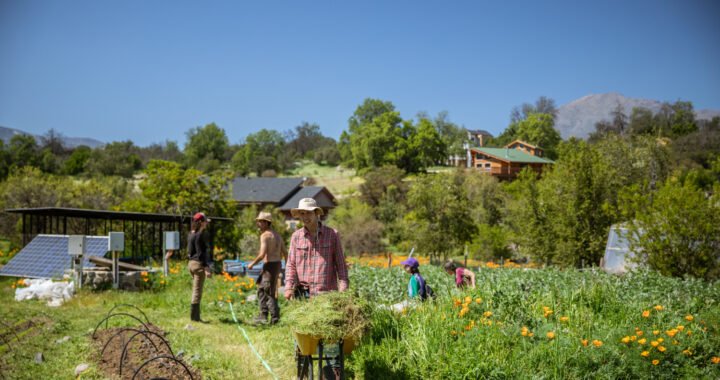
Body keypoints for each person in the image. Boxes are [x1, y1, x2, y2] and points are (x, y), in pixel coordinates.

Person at [284, 198, 348, 379]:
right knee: (305, 339)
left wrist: (343, 291)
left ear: (316, 213)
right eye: (301, 213)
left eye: (308, 213)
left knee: (330, 339)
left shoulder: (332, 235)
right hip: (303, 295)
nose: (304, 217)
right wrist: (288, 287)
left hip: (327, 295)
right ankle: (303, 366)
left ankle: (331, 371)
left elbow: (341, 266)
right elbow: (291, 265)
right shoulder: (296, 237)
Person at [247, 211, 287, 325]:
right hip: (277, 265)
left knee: (268, 291)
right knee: (262, 289)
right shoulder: (278, 235)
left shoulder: (265, 236)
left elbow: (262, 254)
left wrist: (252, 264)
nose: (258, 224)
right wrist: (287, 267)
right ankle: (263, 315)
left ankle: (274, 319)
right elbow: (285, 252)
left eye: (260, 221)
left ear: (266, 222)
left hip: (269, 266)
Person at [187, 212, 213, 322]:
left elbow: (190, 251)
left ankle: (195, 316)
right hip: (198, 265)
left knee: (195, 289)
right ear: (201, 222)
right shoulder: (199, 235)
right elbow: (200, 253)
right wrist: (206, 267)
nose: (207, 223)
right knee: (197, 291)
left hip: (191, 264)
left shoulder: (191, 234)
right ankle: (195, 318)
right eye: (205, 221)